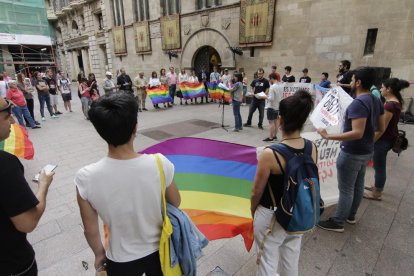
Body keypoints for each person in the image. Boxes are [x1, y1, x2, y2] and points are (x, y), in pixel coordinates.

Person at [75, 92, 181, 274]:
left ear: (101, 132)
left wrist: (99, 255)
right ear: (135, 127)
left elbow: (90, 230)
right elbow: (176, 202)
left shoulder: (85, 177)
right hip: (161, 254)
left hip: (120, 260)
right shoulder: (160, 163)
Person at [251, 90, 316, 276]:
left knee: (266, 262)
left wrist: (252, 211)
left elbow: (256, 191)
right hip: (298, 212)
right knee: (291, 257)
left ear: (280, 119)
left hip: (272, 216)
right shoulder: (313, 148)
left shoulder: (270, 154)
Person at [317, 67, 385, 232]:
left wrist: (328, 137)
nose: (351, 82)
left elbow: (357, 132)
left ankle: (338, 221)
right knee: (358, 185)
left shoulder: (359, 103)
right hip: (366, 151)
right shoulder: (377, 100)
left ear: (359, 82)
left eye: (353, 79)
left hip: (352, 152)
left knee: (346, 188)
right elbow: (381, 128)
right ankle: (350, 216)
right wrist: (369, 142)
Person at [0, 96, 54, 275]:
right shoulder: (5, 164)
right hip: (12, 264)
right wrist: (43, 186)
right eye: (7, 116)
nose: (13, 121)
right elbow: (28, 222)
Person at [364, 78, 410, 200]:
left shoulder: (390, 105)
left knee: (379, 166)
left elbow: (381, 128)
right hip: (389, 138)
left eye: (382, 87)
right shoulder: (394, 102)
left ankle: (377, 193)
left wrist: (371, 141)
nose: (380, 89)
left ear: (389, 89)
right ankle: (376, 186)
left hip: (383, 140)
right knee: (378, 165)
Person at [263, 73, 281, 141]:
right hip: (277, 107)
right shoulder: (280, 86)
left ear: (272, 78)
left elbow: (271, 98)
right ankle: (274, 136)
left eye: (269, 79)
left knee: (271, 122)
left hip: (271, 107)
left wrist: (265, 96)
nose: (269, 80)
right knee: (276, 122)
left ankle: (270, 137)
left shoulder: (272, 87)